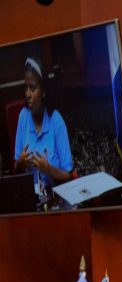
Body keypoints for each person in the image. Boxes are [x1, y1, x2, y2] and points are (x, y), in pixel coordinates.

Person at [13, 57, 73, 205]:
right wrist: (20, 162)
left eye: (32, 88)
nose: (28, 94)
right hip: (30, 200)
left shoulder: (56, 121)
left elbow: (68, 175)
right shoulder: (23, 116)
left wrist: (48, 169)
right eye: (26, 88)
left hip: (56, 199)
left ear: (44, 92)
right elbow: (15, 167)